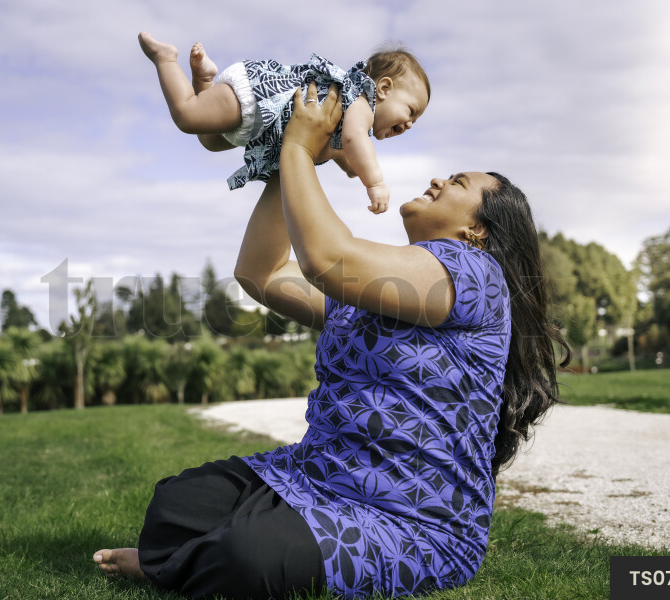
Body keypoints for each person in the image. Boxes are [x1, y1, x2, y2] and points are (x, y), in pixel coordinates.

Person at [94, 83, 570, 598]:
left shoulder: (474, 274)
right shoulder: (383, 287)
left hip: (410, 521)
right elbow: (261, 272)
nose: (437, 179)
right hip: (313, 478)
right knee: (177, 504)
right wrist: (293, 156)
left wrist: (300, 146)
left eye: (456, 183)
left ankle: (199, 560)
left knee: (249, 558)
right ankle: (203, 556)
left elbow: (326, 260)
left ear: (478, 230)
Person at [137, 32, 430, 213]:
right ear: (385, 88)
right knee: (189, 116)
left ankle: (204, 79)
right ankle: (166, 58)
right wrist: (375, 182)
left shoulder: (351, 116)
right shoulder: (362, 103)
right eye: (411, 111)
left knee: (209, 140)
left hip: (260, 124)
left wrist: (353, 167)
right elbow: (355, 141)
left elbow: (347, 152)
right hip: (258, 97)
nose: (410, 125)